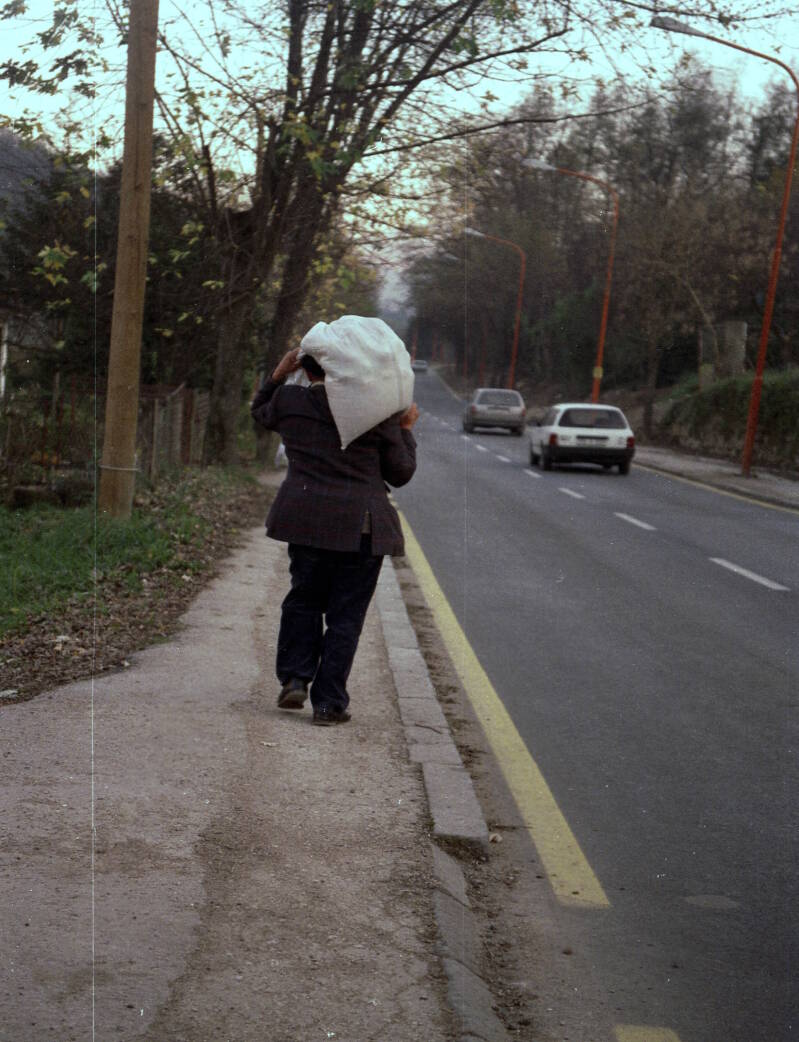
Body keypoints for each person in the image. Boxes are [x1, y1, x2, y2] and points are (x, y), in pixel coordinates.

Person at [251, 346, 419, 726]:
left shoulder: (290, 401)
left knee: (304, 599)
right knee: (346, 615)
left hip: (306, 522)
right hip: (361, 526)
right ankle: (328, 704)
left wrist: (277, 375)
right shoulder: (376, 412)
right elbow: (400, 473)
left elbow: (260, 411)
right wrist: (406, 430)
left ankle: (295, 678)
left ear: (307, 369)